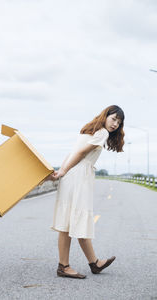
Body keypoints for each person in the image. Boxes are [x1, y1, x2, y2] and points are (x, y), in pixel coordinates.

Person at [45, 105, 125, 279]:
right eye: (113, 119)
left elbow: (72, 153)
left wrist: (61, 171)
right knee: (76, 219)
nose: (115, 125)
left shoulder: (89, 130)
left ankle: (93, 263)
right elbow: (80, 153)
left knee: (69, 220)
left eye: (118, 123)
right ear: (105, 116)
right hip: (78, 177)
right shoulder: (102, 132)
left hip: (72, 176)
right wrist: (63, 171)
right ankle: (64, 266)